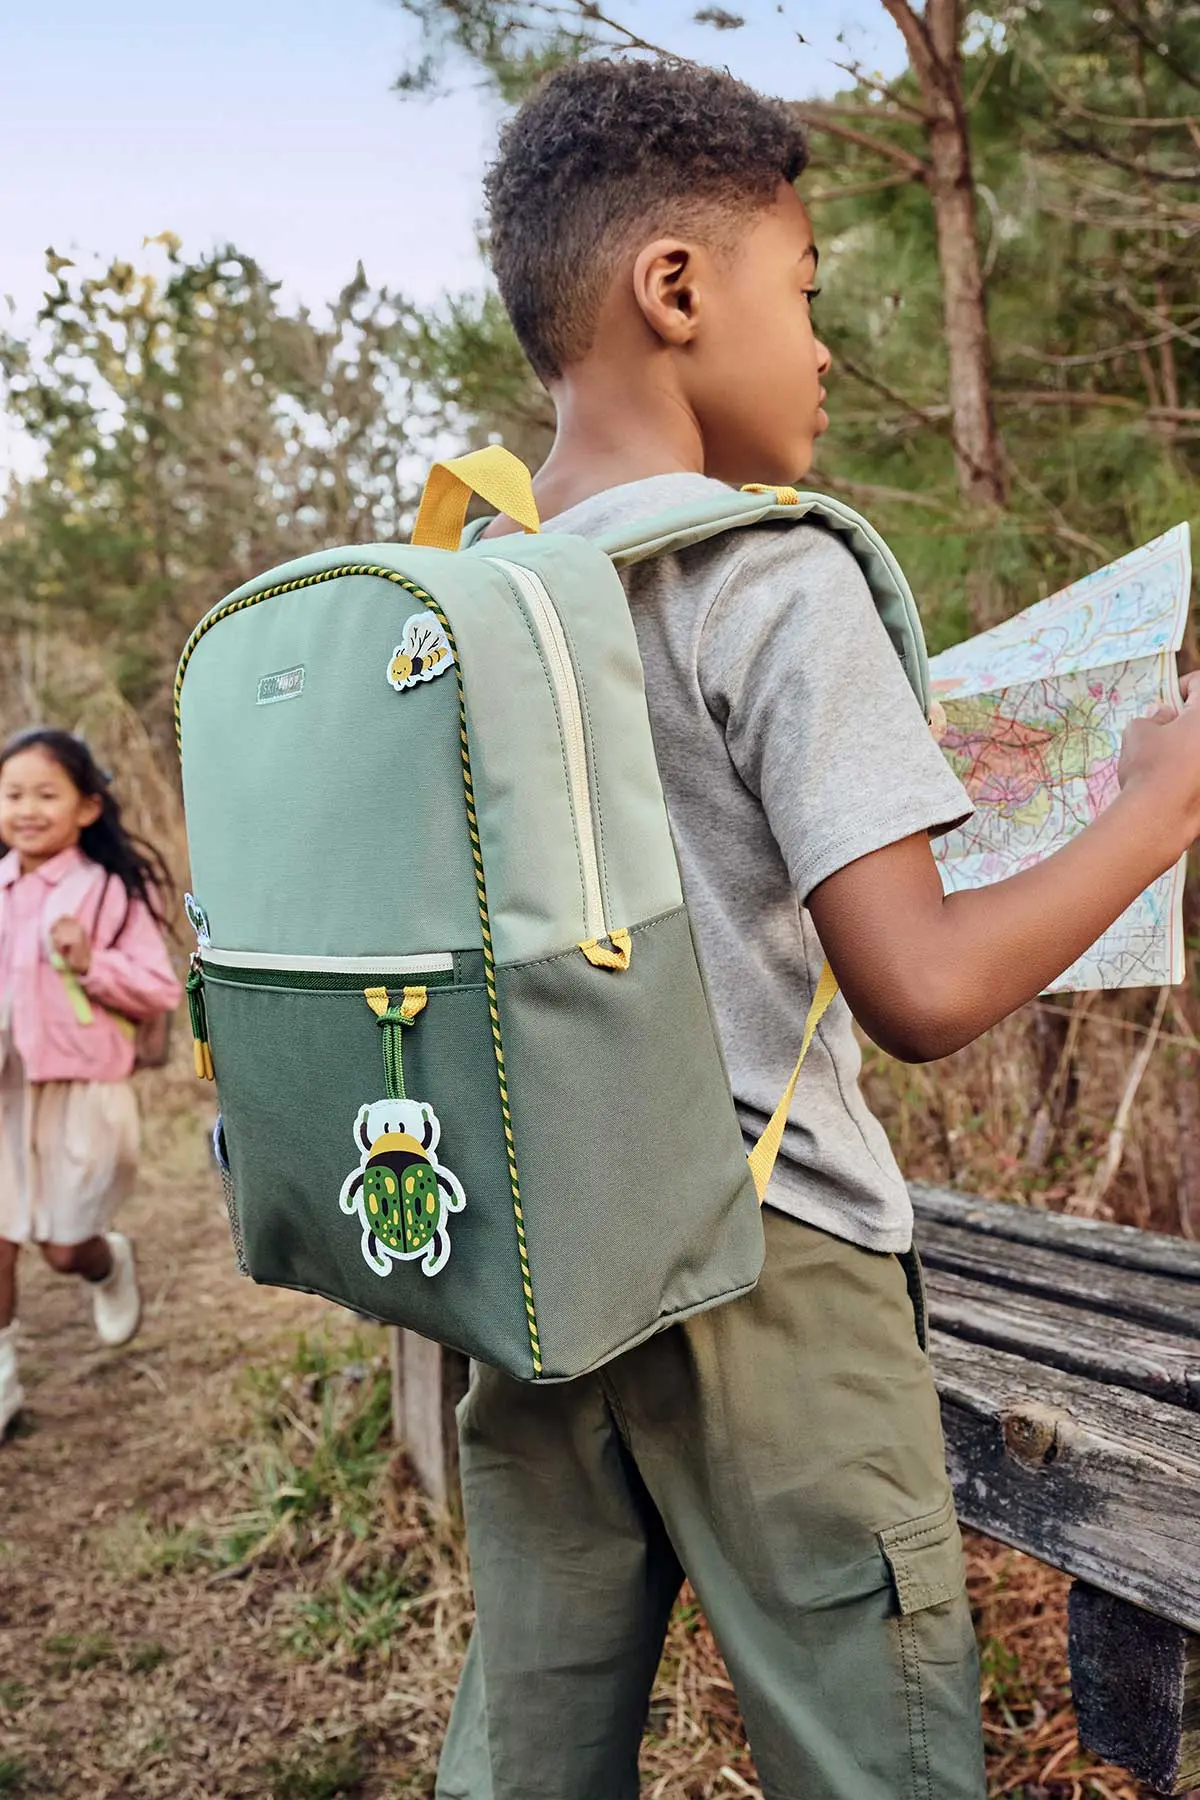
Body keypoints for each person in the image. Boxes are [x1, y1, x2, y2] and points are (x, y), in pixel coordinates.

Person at [435, 58, 1200, 1800]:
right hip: (769, 1273)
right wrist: (1157, 808)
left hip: (535, 1260)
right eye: (805, 292)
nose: (830, 351)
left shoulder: (470, 598)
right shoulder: (771, 571)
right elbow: (918, 989)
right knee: (876, 1756)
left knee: (528, 1747)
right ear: (676, 291)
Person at [0, 728, 181, 1439]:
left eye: (47, 795)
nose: (27, 810)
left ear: (86, 808)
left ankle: (106, 1263)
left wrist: (89, 964)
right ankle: (3, 1387)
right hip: (5, 1092)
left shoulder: (106, 891)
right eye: (13, 794)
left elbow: (158, 987)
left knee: (64, 1247)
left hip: (82, 1092)